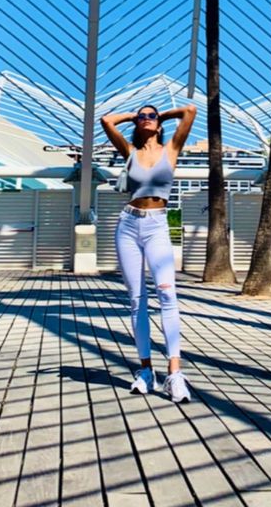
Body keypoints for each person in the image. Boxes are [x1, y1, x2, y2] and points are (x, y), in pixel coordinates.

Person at [100, 102, 197, 402]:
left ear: (159, 123)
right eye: (141, 117)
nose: (145, 119)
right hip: (128, 225)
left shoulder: (171, 148)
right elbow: (106, 119)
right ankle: (145, 371)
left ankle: (175, 374)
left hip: (157, 226)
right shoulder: (130, 152)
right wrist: (134, 116)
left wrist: (159, 116)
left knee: (167, 294)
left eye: (150, 116)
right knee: (136, 299)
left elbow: (190, 112)